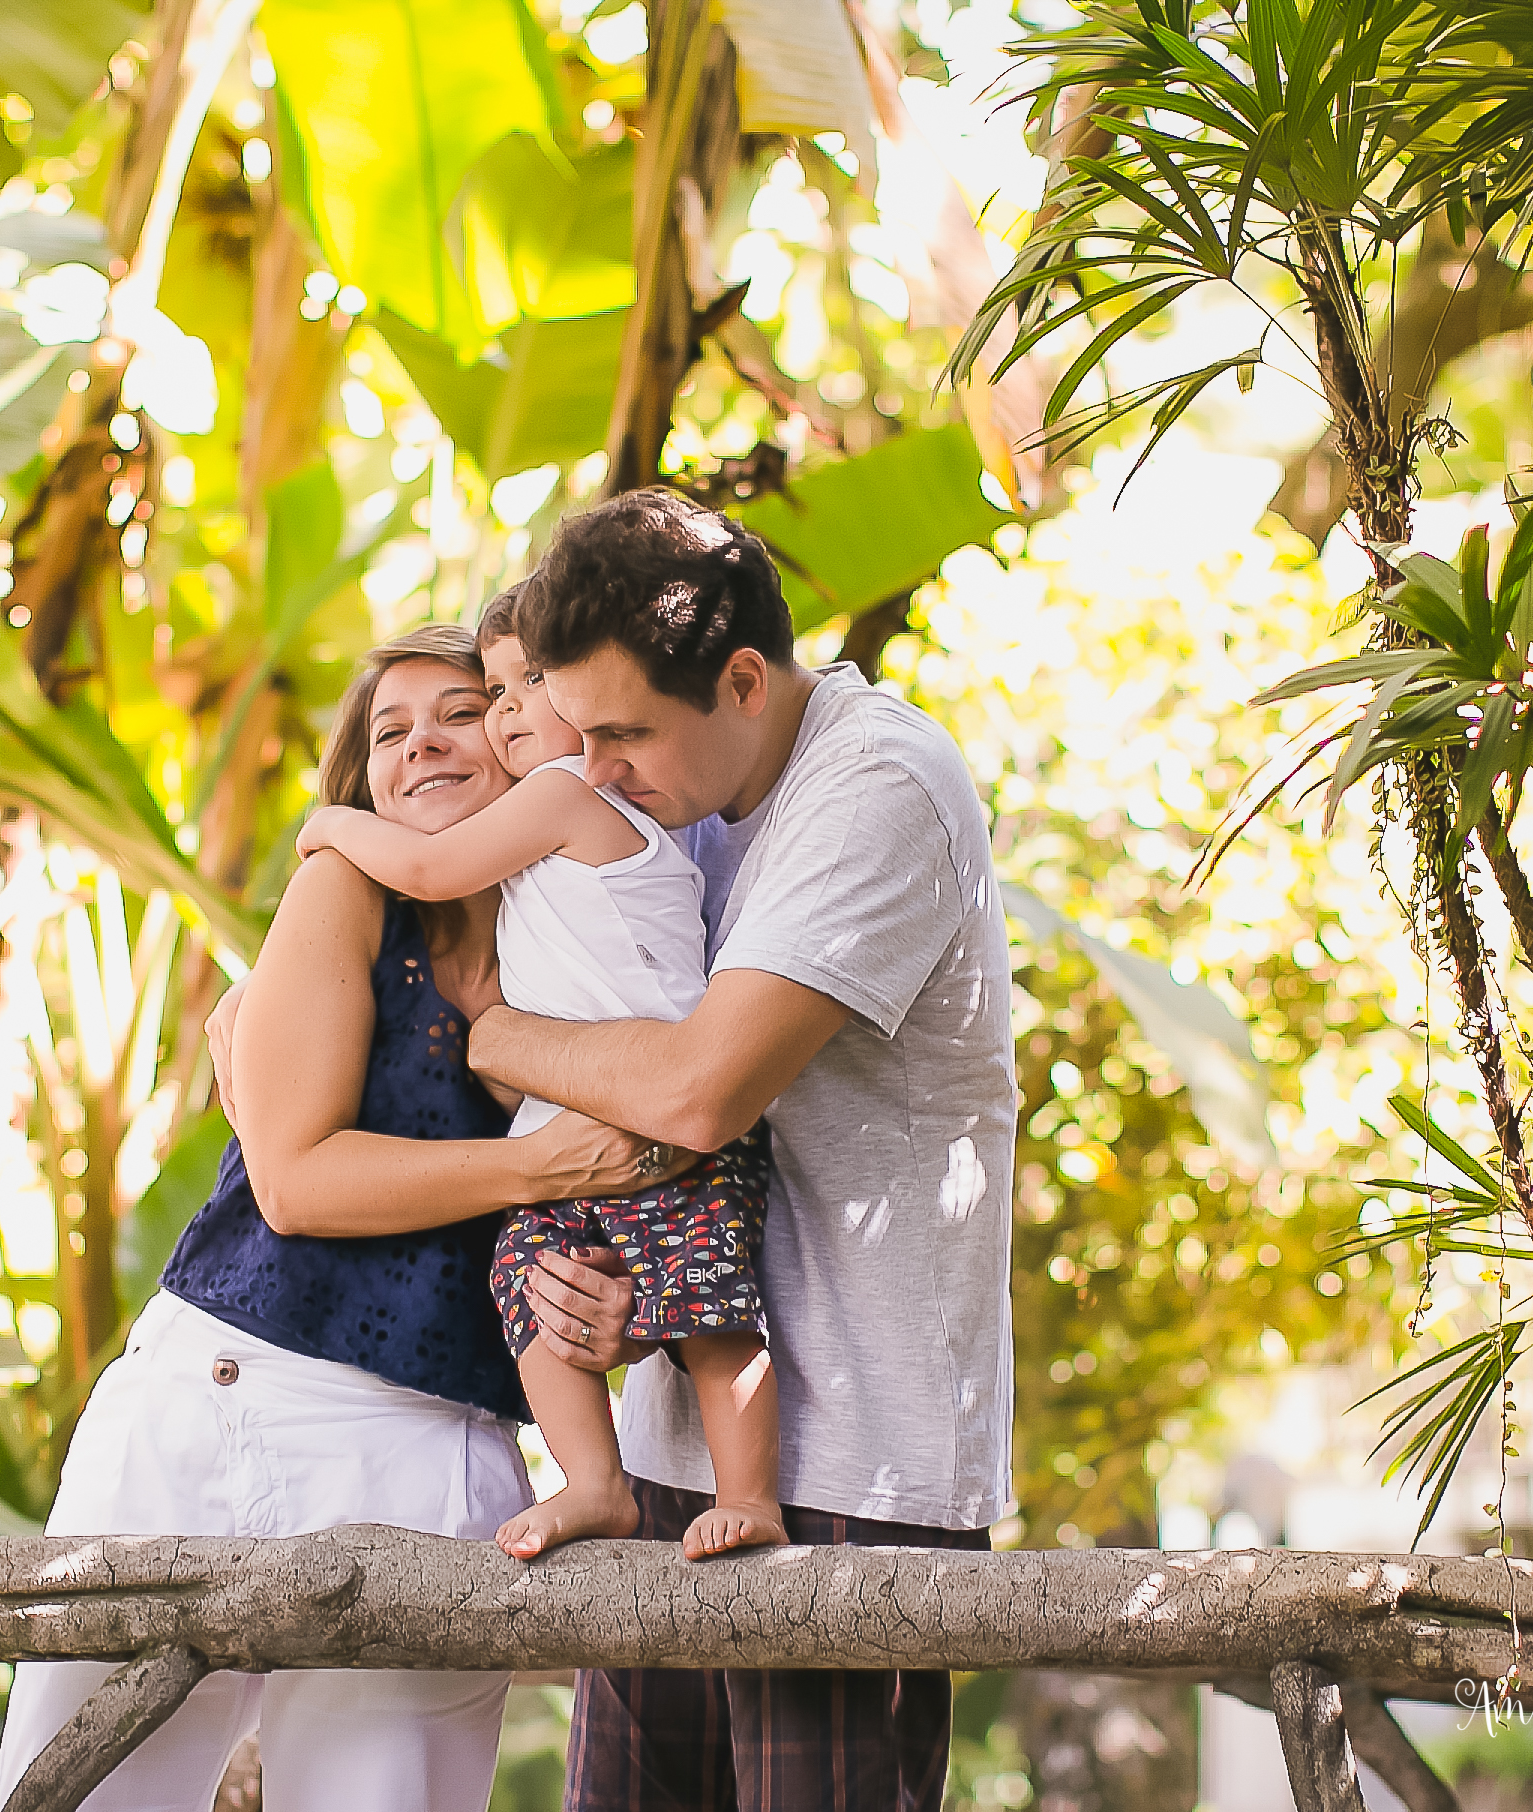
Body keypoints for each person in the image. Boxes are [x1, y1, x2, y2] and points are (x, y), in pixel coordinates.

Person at [0, 624, 677, 1812]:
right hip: (218, 1400)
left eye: (457, 711)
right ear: (359, 784)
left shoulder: (588, 917)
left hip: (435, 1449)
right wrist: (538, 1170)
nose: (421, 745)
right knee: (78, 1797)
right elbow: (296, 1185)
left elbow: (670, 1161)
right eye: (388, 733)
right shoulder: (346, 886)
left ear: (528, 726)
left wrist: (626, 1299)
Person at [468, 488, 1017, 1812]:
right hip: (671, 1453)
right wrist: (615, 1293)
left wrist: (491, 1035)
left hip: (847, 1479)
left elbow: (698, 1094)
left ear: (744, 680)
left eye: (619, 733)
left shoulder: (873, 785)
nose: (589, 768)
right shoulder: (677, 795)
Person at [295, 584, 782, 1561]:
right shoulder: (535, 852)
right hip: (572, 1126)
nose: (512, 707)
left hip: (662, 1113)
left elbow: (431, 873)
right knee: (524, 1275)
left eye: (527, 685)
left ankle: (752, 1495)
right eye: (499, 687)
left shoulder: (567, 801)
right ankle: (594, 1481)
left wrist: (331, 826)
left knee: (713, 1314)